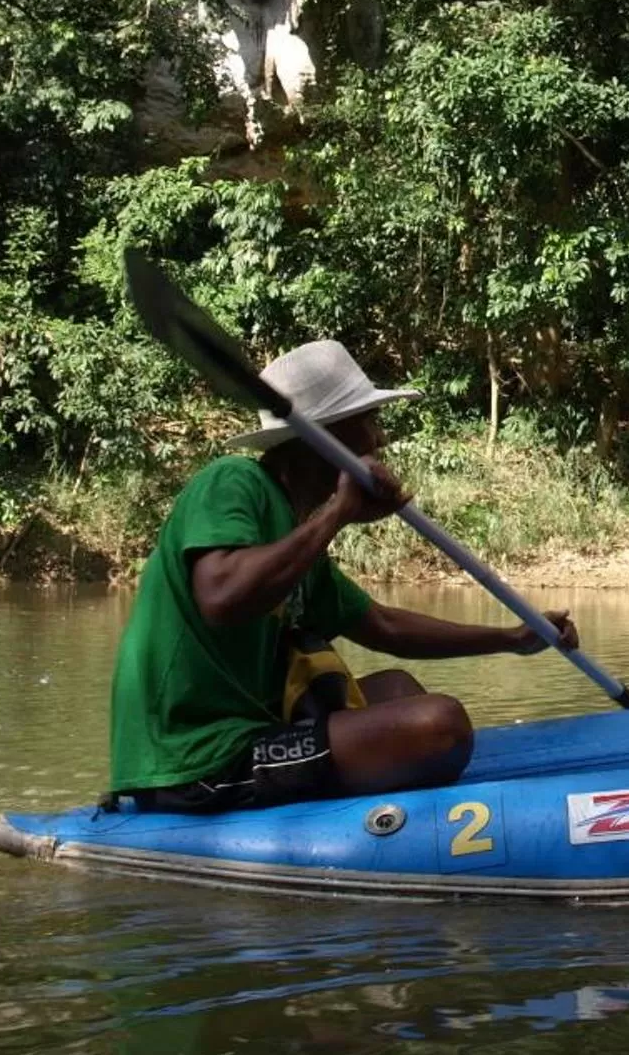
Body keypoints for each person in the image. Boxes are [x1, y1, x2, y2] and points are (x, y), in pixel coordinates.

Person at [108, 339, 579, 810]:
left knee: (398, 691)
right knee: (441, 724)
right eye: (368, 422)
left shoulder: (296, 536)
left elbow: (383, 625)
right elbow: (221, 595)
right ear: (324, 438)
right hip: (197, 758)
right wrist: (337, 512)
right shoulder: (233, 481)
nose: (380, 439)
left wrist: (510, 639)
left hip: (252, 726)